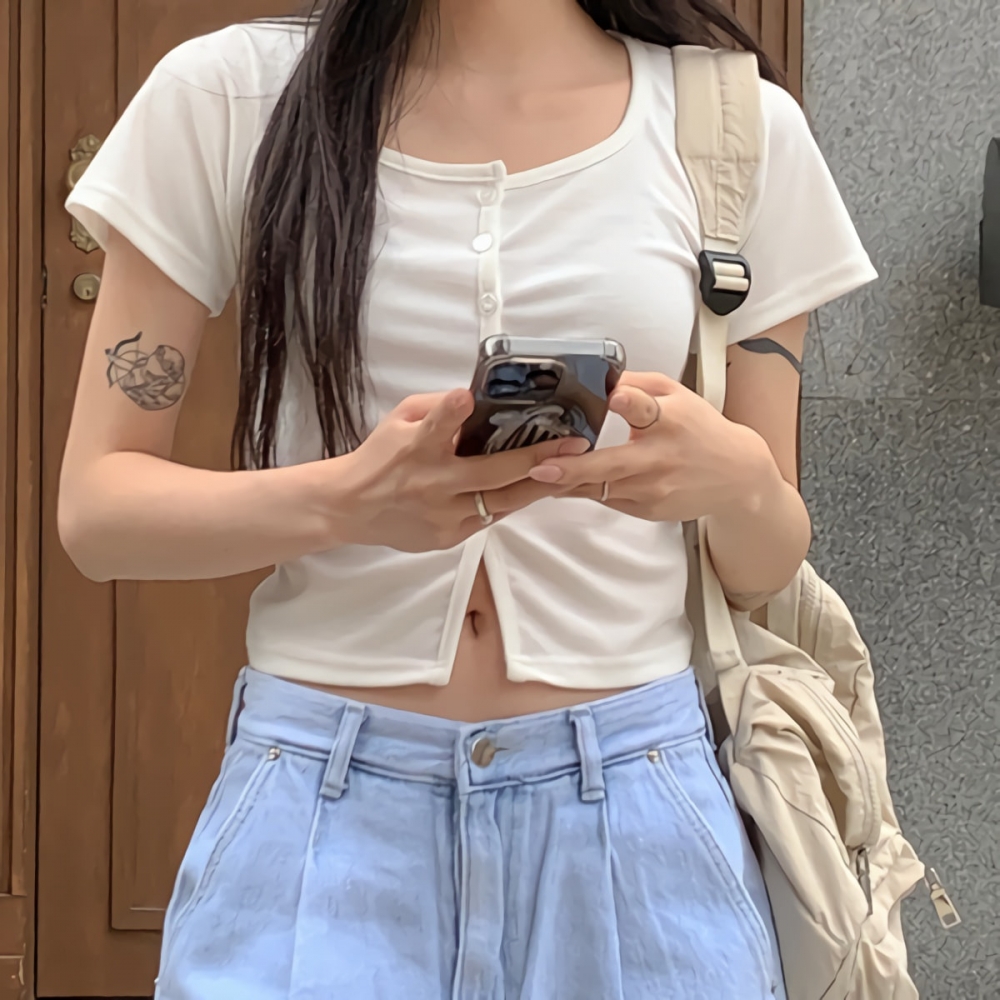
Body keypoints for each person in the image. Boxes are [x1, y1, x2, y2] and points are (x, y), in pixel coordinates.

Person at [59, 1, 877, 997]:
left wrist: (735, 478)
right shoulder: (230, 94)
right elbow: (99, 514)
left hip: (634, 809)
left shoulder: (732, 128)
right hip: (321, 798)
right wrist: (352, 500)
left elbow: (768, 556)